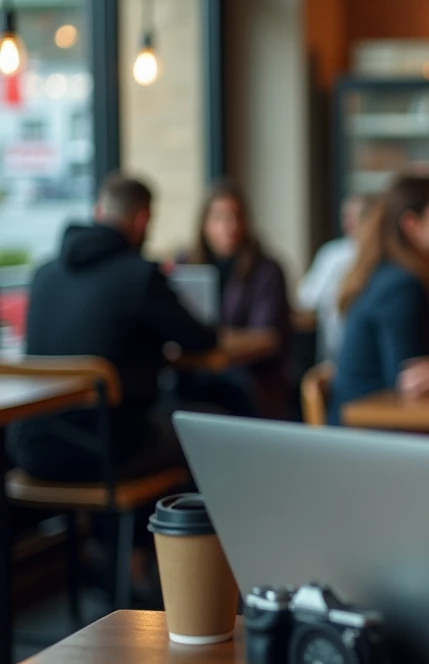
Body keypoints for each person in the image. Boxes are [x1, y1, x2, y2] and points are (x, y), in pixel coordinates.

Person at [9, 173, 218, 482]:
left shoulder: (43, 274)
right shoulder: (141, 276)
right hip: (106, 453)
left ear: (98, 212)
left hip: (31, 449)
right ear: (142, 220)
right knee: (214, 427)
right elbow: (200, 338)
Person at [329, 175, 429, 424]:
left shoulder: (404, 276)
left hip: (377, 427)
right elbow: (411, 385)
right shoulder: (401, 286)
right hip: (368, 433)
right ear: (412, 224)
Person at [181, 181, 293, 419]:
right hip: (194, 373)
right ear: (204, 223)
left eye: (235, 217)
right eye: (219, 218)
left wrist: (212, 339)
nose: (229, 227)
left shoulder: (266, 270)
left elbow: (268, 337)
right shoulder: (185, 264)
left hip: (249, 376)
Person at [297, 193, 374, 361]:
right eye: (346, 216)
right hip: (338, 351)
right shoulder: (333, 254)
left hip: (350, 351)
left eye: (354, 216)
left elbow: (307, 298)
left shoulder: (338, 254)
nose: (348, 222)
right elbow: (307, 299)